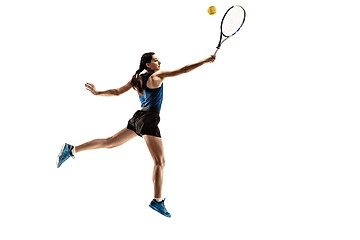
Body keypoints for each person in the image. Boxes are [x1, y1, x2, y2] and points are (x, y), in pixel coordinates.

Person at [57, 52, 216, 217]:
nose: (159, 62)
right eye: (155, 60)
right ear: (148, 64)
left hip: (139, 118)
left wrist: (98, 93)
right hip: (149, 119)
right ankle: (158, 201)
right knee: (159, 162)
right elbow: (183, 70)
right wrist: (204, 61)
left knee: (109, 142)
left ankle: (72, 149)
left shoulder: (137, 79)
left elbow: (118, 91)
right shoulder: (157, 76)